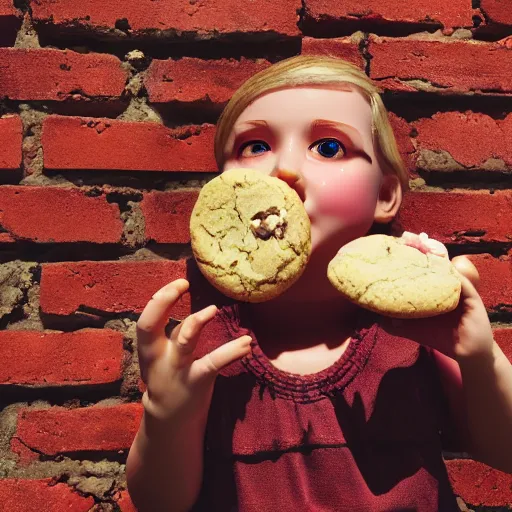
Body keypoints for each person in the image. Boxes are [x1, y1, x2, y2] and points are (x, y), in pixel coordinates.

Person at [126, 56, 512, 511]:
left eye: (328, 147)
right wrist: (165, 414)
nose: (284, 170)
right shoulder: (206, 344)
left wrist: (480, 358)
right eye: (254, 147)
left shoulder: (415, 330)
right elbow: (159, 503)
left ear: (385, 195)